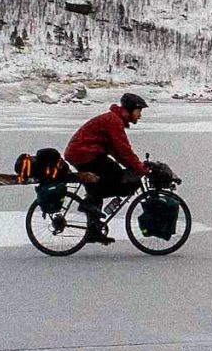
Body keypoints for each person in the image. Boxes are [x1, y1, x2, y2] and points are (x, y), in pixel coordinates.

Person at [63, 92, 151, 244]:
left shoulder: (114, 120)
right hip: (84, 154)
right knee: (114, 175)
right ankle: (88, 203)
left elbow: (118, 153)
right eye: (139, 111)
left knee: (104, 178)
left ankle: (93, 230)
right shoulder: (114, 121)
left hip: (86, 153)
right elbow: (124, 149)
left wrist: (135, 166)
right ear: (130, 109)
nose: (140, 115)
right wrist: (140, 168)